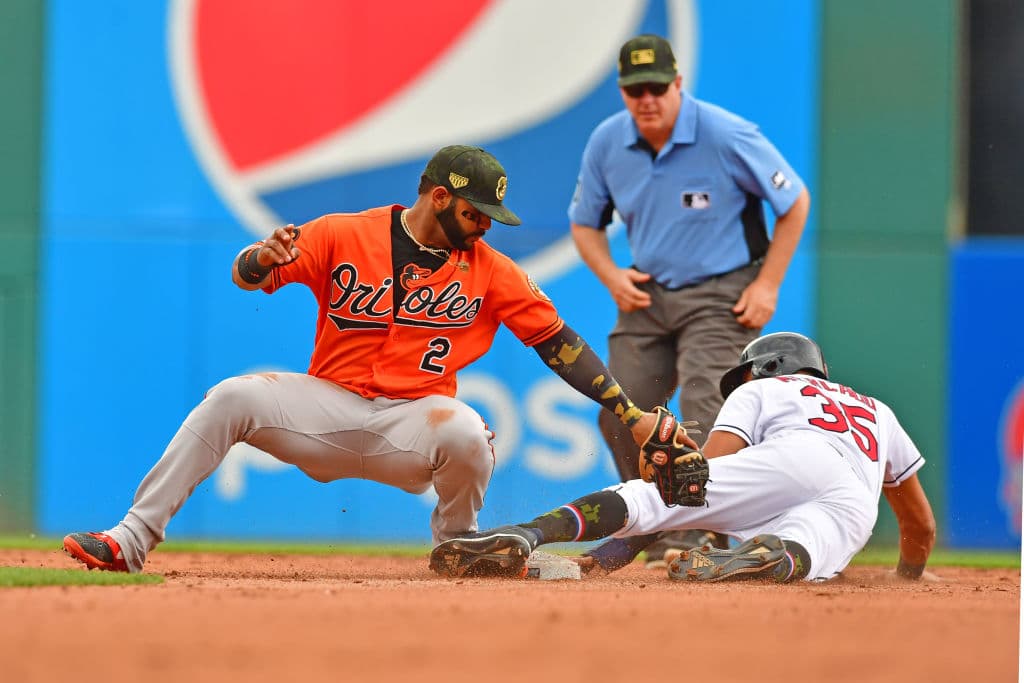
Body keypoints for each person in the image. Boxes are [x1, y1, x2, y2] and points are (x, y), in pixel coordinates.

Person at [62, 145, 695, 573]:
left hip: (412, 422)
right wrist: (261, 258)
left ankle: (460, 551)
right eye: (477, 214)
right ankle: (131, 540)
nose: (486, 229)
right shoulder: (343, 232)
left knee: (469, 432)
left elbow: (560, 343)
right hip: (328, 409)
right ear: (441, 197)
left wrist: (628, 410)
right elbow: (245, 274)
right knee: (232, 396)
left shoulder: (491, 270)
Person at [568, 34, 812, 565]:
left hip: (722, 294)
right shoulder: (608, 143)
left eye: (657, 86)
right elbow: (585, 225)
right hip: (646, 296)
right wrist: (611, 276)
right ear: (622, 92)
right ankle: (657, 521)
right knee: (619, 411)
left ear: (678, 83)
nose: (647, 99)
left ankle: (702, 529)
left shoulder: (726, 135)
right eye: (636, 90)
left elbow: (794, 202)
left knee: (706, 411)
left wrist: (767, 283)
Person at [430, 332, 938, 584]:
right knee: (806, 548)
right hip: (855, 502)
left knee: (664, 492)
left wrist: (613, 555)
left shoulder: (766, 389)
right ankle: (772, 557)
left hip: (794, 456)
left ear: (768, 367)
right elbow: (920, 525)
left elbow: (694, 492)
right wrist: (908, 575)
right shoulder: (878, 411)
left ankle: (528, 532)